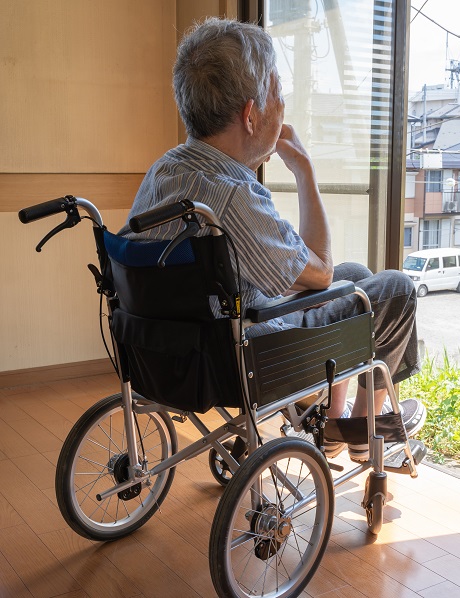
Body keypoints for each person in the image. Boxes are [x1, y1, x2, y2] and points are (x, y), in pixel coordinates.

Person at [120, 17, 425, 461]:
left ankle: (333, 424)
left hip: (172, 347)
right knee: (395, 287)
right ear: (251, 115)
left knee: (356, 275)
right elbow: (319, 272)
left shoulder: (165, 169)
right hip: (246, 356)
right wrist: (305, 172)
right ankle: (362, 429)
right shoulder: (235, 196)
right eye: (278, 94)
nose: (283, 106)